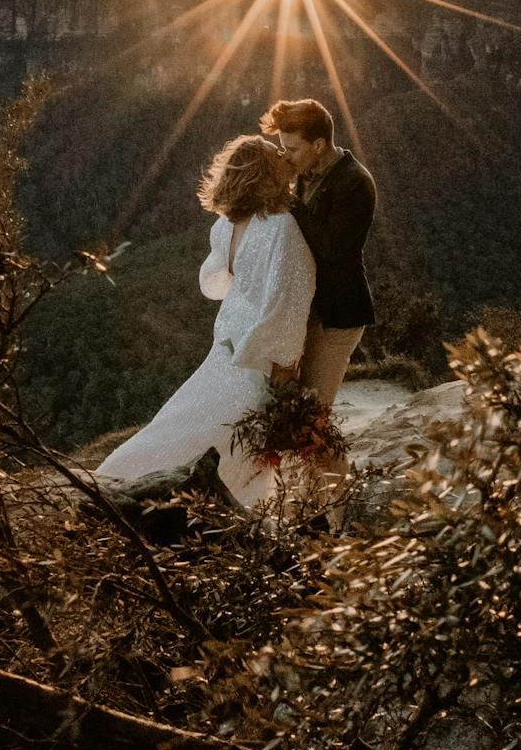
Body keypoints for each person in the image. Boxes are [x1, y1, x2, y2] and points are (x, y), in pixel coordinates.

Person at [93, 135, 316, 507]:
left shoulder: (225, 226)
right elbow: (291, 296)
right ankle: (223, 510)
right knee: (236, 434)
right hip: (256, 350)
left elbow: (213, 283)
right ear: (271, 178)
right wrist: (287, 361)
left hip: (227, 338)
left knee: (187, 418)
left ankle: (117, 480)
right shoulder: (282, 228)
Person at [258, 98, 376, 495]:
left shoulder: (355, 183)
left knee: (311, 418)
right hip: (305, 309)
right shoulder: (307, 170)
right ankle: (317, 496)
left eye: (292, 148)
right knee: (294, 412)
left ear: (320, 144)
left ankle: (340, 502)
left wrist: (287, 200)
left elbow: (332, 249)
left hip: (338, 314)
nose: (286, 156)